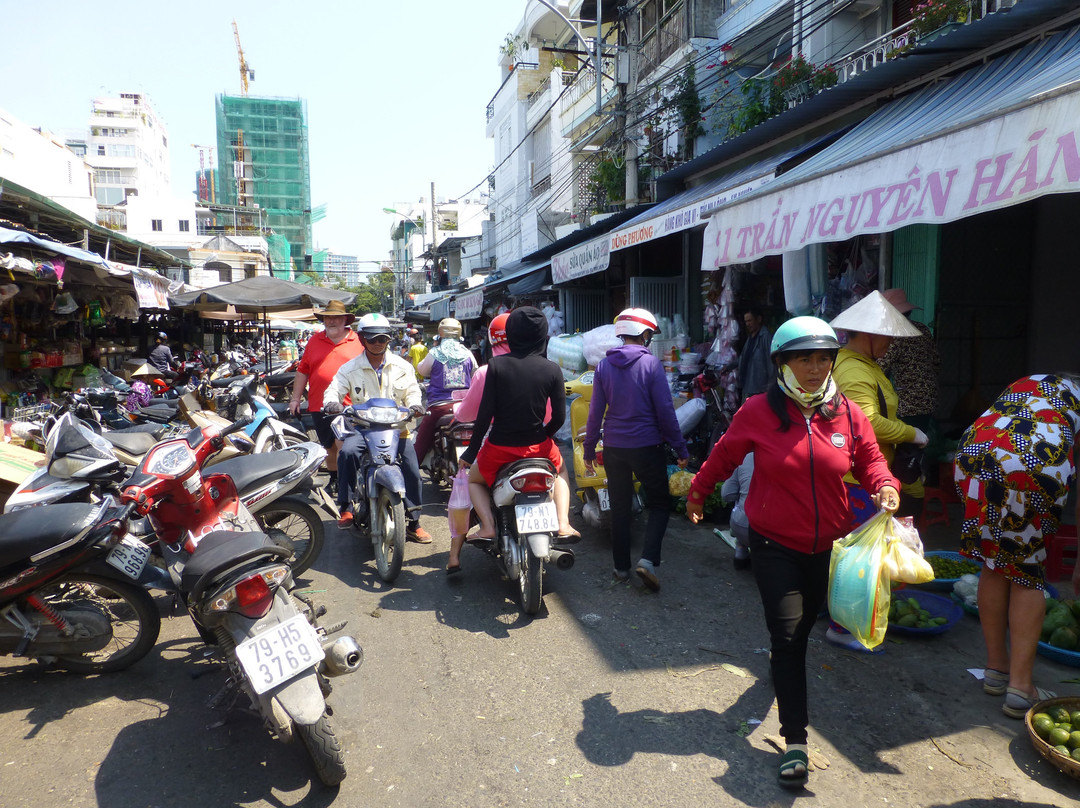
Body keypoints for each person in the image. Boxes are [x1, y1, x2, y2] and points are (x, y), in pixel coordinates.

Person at [685, 316, 899, 790]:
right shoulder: (759, 410)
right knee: (787, 637)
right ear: (782, 362)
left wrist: (885, 485)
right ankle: (795, 740)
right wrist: (698, 492)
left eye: (824, 358)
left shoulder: (845, 412)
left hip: (830, 547)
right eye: (805, 358)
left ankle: (782, 669)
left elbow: (869, 459)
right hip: (773, 543)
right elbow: (724, 454)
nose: (816, 368)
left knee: (802, 629)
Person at [954, 373, 1080, 718]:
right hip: (1028, 463)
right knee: (1027, 571)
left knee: (994, 561)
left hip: (974, 456)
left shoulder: (1033, 383)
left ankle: (996, 670)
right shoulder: (1069, 407)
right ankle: (1021, 687)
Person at [454, 307, 574, 574]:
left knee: (475, 480)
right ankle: (564, 523)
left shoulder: (496, 366)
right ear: (543, 335)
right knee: (563, 472)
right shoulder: (552, 369)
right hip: (540, 446)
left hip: (499, 449)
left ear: (511, 334)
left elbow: (484, 417)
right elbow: (559, 417)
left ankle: (487, 525)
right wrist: (545, 436)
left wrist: (470, 454)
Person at [582, 308, 689, 591]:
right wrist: (680, 447)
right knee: (659, 504)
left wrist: (589, 450)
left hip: (614, 447)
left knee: (619, 507)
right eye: (650, 335)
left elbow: (595, 414)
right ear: (644, 335)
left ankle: (620, 568)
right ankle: (649, 561)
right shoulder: (651, 365)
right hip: (646, 445)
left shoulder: (604, 366)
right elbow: (665, 411)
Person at [324, 312, 432, 544]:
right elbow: (334, 389)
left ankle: (414, 522)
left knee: (413, 468)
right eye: (372, 339)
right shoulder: (349, 368)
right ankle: (346, 506)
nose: (378, 343)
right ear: (362, 339)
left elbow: (413, 391)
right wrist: (331, 401)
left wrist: (415, 405)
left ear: (388, 340)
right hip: (362, 429)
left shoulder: (402, 366)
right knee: (347, 453)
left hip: (397, 429)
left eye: (382, 339)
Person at [829, 290, 928, 525]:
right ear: (868, 334)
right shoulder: (854, 370)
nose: (892, 342)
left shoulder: (864, 364)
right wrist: (911, 433)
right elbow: (868, 422)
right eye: (887, 335)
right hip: (857, 481)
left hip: (870, 476)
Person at [287, 299, 363, 498]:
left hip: (349, 405)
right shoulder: (314, 341)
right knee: (329, 446)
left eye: (336, 317)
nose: (332, 321)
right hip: (319, 404)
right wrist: (295, 399)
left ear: (345, 319)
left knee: (343, 444)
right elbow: (303, 371)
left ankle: (349, 484)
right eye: (328, 317)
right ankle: (336, 479)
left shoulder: (358, 341)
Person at [877, 288, 942, 517]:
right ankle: (913, 496)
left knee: (904, 458)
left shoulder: (895, 335)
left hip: (906, 402)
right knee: (913, 454)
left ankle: (907, 507)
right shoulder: (923, 330)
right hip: (928, 399)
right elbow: (936, 362)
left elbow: (880, 368)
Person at [414, 318, 476, 468]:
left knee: (421, 441)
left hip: (440, 407)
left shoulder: (435, 352)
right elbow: (476, 373)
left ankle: (411, 472)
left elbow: (422, 369)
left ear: (440, 333)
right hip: (464, 406)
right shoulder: (467, 353)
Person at [721, 453, 754, 570]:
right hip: (771, 534)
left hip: (740, 526)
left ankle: (741, 548)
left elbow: (726, 494)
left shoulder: (745, 457)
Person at [737, 307, 772, 402]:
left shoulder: (765, 337)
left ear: (759, 319)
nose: (747, 324)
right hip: (747, 386)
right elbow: (743, 358)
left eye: (750, 320)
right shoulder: (750, 338)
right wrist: (728, 367)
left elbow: (771, 363)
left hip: (759, 389)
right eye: (746, 321)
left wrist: (771, 387)